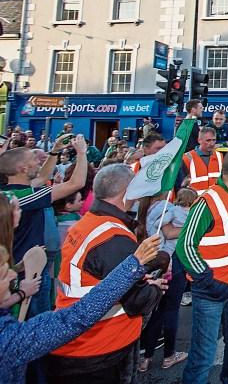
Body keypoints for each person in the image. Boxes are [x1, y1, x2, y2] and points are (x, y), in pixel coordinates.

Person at [47, 164, 166, 383]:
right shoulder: (113, 236)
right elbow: (136, 301)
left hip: (78, 339)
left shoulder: (91, 223)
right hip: (99, 346)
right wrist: (154, 288)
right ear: (126, 192)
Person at [0, 237, 160, 384]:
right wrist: (133, 264)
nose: (13, 275)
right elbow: (79, 314)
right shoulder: (9, 340)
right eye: (5, 274)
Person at [177, 149, 228, 384]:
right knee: (203, 354)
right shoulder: (207, 202)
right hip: (213, 291)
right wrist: (206, 279)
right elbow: (185, 246)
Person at [0, 134, 88, 319]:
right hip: (25, 274)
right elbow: (76, 183)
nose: (38, 161)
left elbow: (42, 177)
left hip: (19, 268)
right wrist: (81, 153)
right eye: (34, 159)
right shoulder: (25, 196)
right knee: (35, 325)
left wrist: (55, 151)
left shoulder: (11, 192)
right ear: (23, 168)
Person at [136, 189, 190, 374]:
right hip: (171, 262)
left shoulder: (144, 208)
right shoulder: (165, 207)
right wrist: (192, 227)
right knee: (170, 310)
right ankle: (168, 355)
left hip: (155, 261)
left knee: (157, 312)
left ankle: (147, 358)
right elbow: (170, 232)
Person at [180, 127, 223, 195]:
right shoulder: (186, 158)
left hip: (215, 201)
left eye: (214, 140)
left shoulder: (220, 157)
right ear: (199, 140)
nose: (212, 143)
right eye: (208, 140)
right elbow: (180, 185)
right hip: (194, 202)